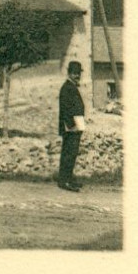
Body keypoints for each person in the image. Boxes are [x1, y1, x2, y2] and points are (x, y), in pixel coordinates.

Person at [57, 59, 86, 192]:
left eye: (78, 73)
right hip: (71, 126)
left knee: (73, 153)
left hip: (76, 124)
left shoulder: (72, 87)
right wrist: (71, 126)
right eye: (74, 73)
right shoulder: (66, 88)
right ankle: (64, 180)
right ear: (69, 73)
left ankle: (69, 177)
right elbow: (66, 109)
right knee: (68, 153)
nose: (77, 76)